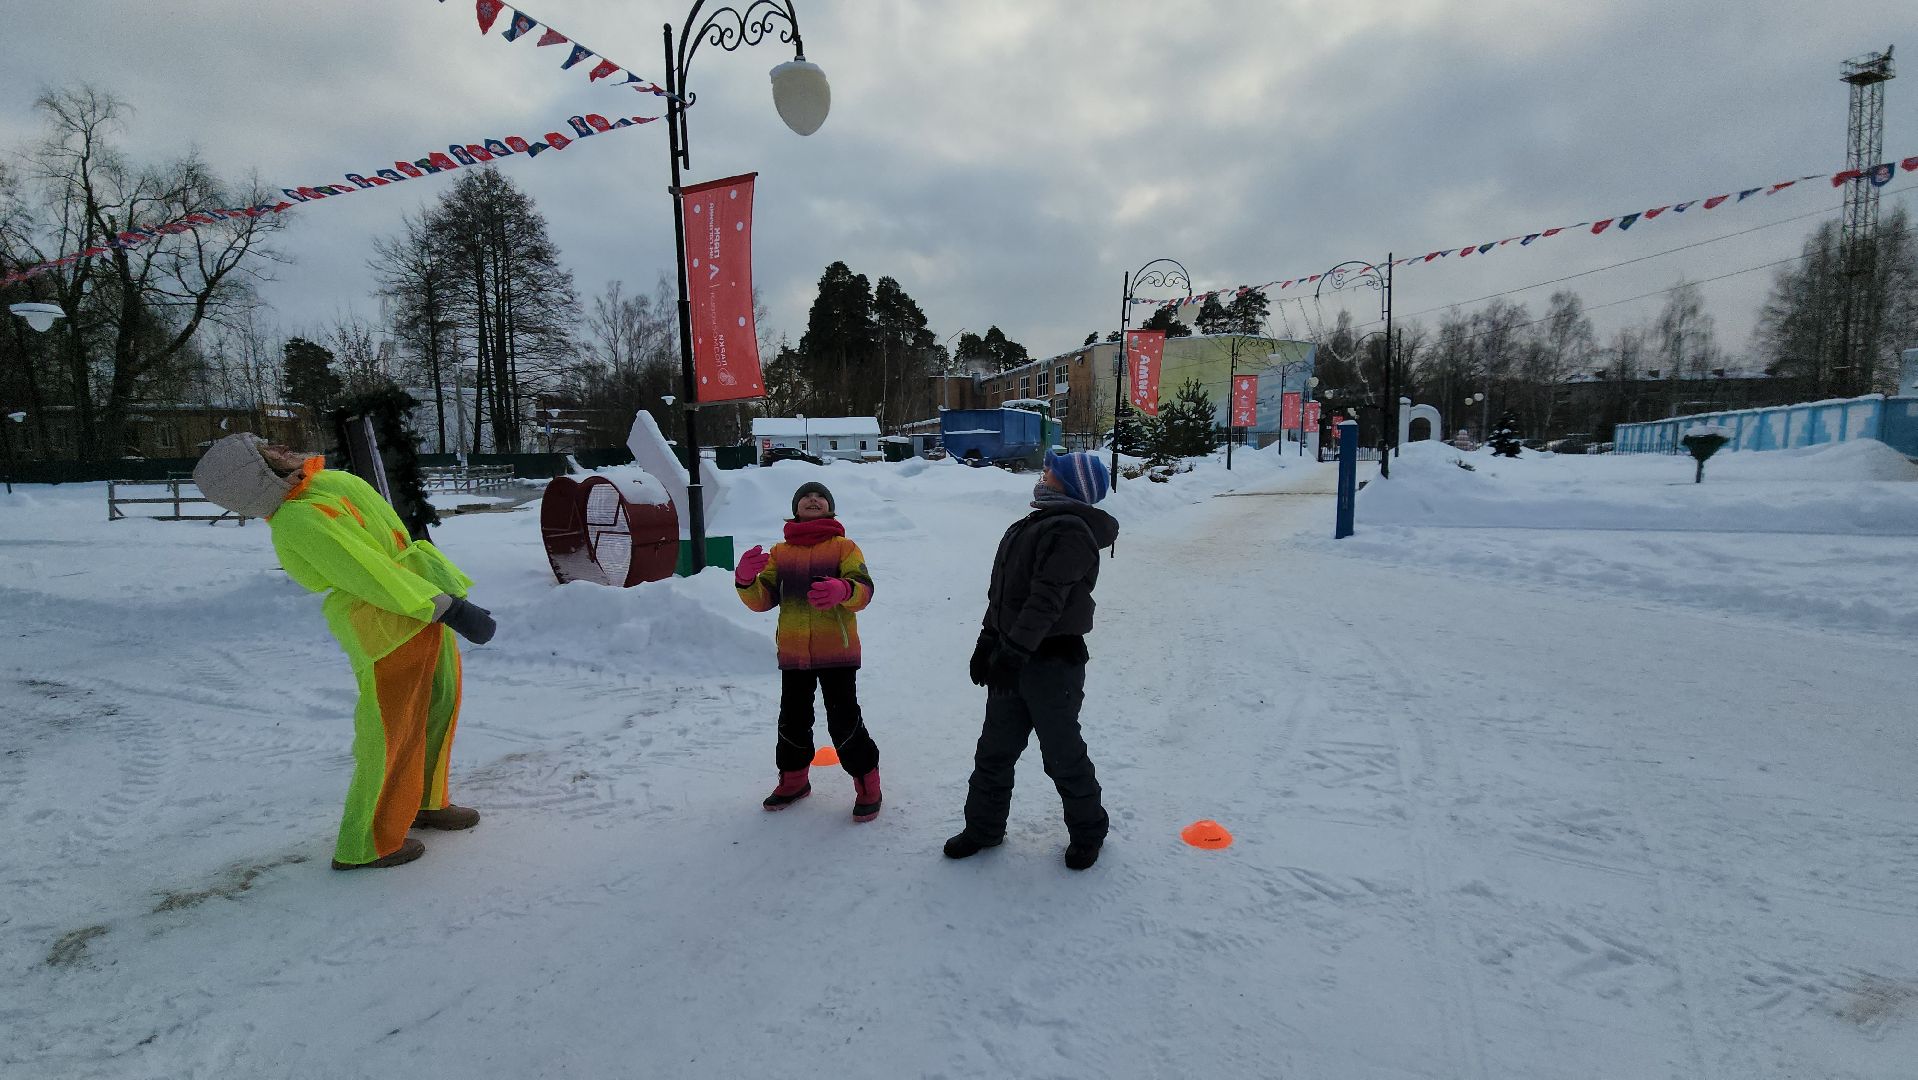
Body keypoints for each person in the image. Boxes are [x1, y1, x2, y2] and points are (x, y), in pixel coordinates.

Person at [191, 433, 496, 871]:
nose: (278, 446)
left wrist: (439, 596)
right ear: (257, 473)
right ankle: (367, 842)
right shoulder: (297, 519)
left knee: (436, 707)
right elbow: (366, 572)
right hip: (385, 624)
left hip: (421, 603)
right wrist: (449, 608)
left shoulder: (326, 483)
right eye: (265, 451)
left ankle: (426, 801)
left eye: (268, 443)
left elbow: (390, 543)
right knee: (390, 731)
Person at [946, 450, 1119, 871]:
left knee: (1061, 751)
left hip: (1052, 662)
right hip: (1012, 655)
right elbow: (1003, 595)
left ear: (1070, 484)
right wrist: (988, 640)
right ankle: (983, 828)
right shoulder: (1031, 524)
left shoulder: (1071, 531)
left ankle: (1088, 830)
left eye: (1051, 471)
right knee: (994, 749)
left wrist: (1016, 651)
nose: (1043, 474)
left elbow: (1047, 600)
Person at [733, 481, 882, 821]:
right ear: (795, 508)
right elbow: (763, 599)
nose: (812, 499)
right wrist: (745, 582)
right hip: (794, 652)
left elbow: (864, 589)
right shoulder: (781, 553)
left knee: (844, 720)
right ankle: (794, 780)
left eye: (820, 496)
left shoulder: (845, 548)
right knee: (792, 719)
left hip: (836, 652)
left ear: (830, 508)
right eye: (805, 496)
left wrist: (843, 589)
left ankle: (867, 783)